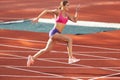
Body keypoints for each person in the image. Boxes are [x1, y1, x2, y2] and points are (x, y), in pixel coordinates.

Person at [27, 0, 80, 67]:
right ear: (63, 6)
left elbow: (75, 20)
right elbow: (46, 11)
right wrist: (37, 18)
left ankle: (32, 57)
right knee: (69, 39)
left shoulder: (67, 15)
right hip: (54, 32)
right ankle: (70, 57)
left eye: (69, 5)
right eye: (67, 5)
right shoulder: (58, 11)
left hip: (57, 34)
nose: (69, 7)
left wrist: (77, 11)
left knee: (47, 50)